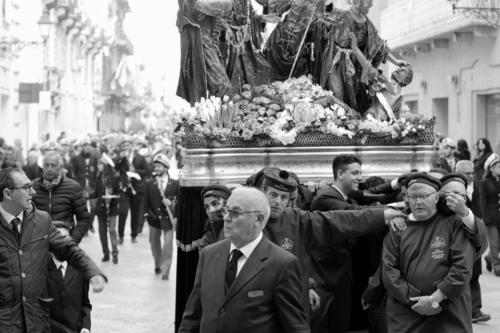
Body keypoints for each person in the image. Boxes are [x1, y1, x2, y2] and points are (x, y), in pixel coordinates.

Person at [254, 167, 406, 314]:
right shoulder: (243, 220)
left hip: (291, 305)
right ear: (260, 192)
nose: (278, 202)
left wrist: (381, 216)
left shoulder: (295, 218)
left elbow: (337, 220)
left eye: (284, 197)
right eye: (273, 195)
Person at [179, 187, 310, 333]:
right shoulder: (209, 254)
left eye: (235, 212)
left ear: (258, 219)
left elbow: (295, 326)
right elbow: (193, 315)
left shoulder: (282, 264)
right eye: (226, 210)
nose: (226, 217)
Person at [0, 168, 106, 333]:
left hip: (37, 321)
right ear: (8, 193)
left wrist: (92, 271)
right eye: (27, 187)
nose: (33, 192)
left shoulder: (41, 220)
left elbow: (68, 248)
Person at [382, 173, 475, 333]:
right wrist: (416, 300)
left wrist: (436, 298)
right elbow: (389, 271)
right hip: (407, 313)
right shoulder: (399, 227)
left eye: (424, 196)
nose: (418, 202)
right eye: (413, 196)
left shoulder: (453, 222)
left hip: (448, 310)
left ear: (436, 198)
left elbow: (462, 267)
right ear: (407, 199)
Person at [309, 155, 384, 333]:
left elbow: (369, 197)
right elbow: (355, 213)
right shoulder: (325, 199)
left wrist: (395, 185)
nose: (360, 177)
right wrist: (390, 211)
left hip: (342, 274)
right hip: (325, 276)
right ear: (340, 173)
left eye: (360, 172)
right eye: (355, 173)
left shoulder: (347, 197)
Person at [439, 172, 490, 324]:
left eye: (459, 194)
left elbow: (481, 242)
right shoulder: (428, 216)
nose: (454, 198)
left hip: (454, 299)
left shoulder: (466, 219)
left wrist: (464, 213)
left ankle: (475, 310)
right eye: (449, 193)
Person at [32, 151, 91, 244]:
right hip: (38, 240)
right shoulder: (33, 187)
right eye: (46, 165)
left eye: (53, 165)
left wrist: (73, 240)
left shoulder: (73, 187)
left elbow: (84, 218)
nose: (49, 169)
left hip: (63, 237)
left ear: (61, 167)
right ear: (42, 167)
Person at [47, 223, 92, 333]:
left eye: (65, 239)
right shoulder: (40, 270)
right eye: (58, 239)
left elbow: (85, 303)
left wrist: (85, 326)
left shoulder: (80, 269)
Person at [143, 153, 179, 279]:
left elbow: (178, 202)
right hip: (154, 218)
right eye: (155, 166)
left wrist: (172, 206)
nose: (156, 168)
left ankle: (165, 270)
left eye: (159, 166)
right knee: (154, 244)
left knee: (168, 245)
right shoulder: (149, 183)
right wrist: (147, 214)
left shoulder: (175, 184)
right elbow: (145, 201)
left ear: (166, 168)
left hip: (168, 219)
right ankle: (157, 263)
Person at [115, 136, 149, 243]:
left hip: (137, 189)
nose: (125, 147)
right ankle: (120, 236)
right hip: (124, 189)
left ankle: (134, 235)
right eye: (123, 146)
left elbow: (146, 172)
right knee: (122, 212)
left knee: (135, 213)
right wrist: (120, 159)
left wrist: (136, 171)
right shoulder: (120, 157)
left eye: (127, 145)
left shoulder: (140, 157)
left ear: (132, 146)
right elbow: (115, 168)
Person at [94, 156, 120, 264]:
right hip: (101, 208)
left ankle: (115, 252)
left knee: (112, 230)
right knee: (102, 232)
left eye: (100, 164)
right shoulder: (98, 176)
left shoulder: (113, 177)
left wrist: (112, 196)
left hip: (112, 207)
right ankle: (105, 253)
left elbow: (118, 192)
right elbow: (96, 193)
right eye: (98, 164)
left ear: (105, 165)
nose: (98, 166)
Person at [71, 138, 99, 233]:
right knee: (83, 208)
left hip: (92, 186)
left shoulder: (94, 158)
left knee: (94, 207)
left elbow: (96, 172)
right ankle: (86, 227)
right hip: (81, 186)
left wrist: (96, 184)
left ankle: (90, 224)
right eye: (85, 145)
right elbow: (73, 173)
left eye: (88, 145)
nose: (87, 147)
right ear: (82, 147)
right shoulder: (75, 158)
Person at [479, 153, 500, 276]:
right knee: (495, 242)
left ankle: (489, 257)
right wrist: (484, 219)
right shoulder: (485, 182)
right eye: (498, 166)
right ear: (491, 168)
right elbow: (483, 202)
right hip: (490, 218)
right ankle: (497, 266)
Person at [198, 184, 231, 249]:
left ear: (227, 204)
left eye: (215, 204)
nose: (211, 210)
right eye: (207, 207)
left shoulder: (239, 230)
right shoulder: (208, 236)